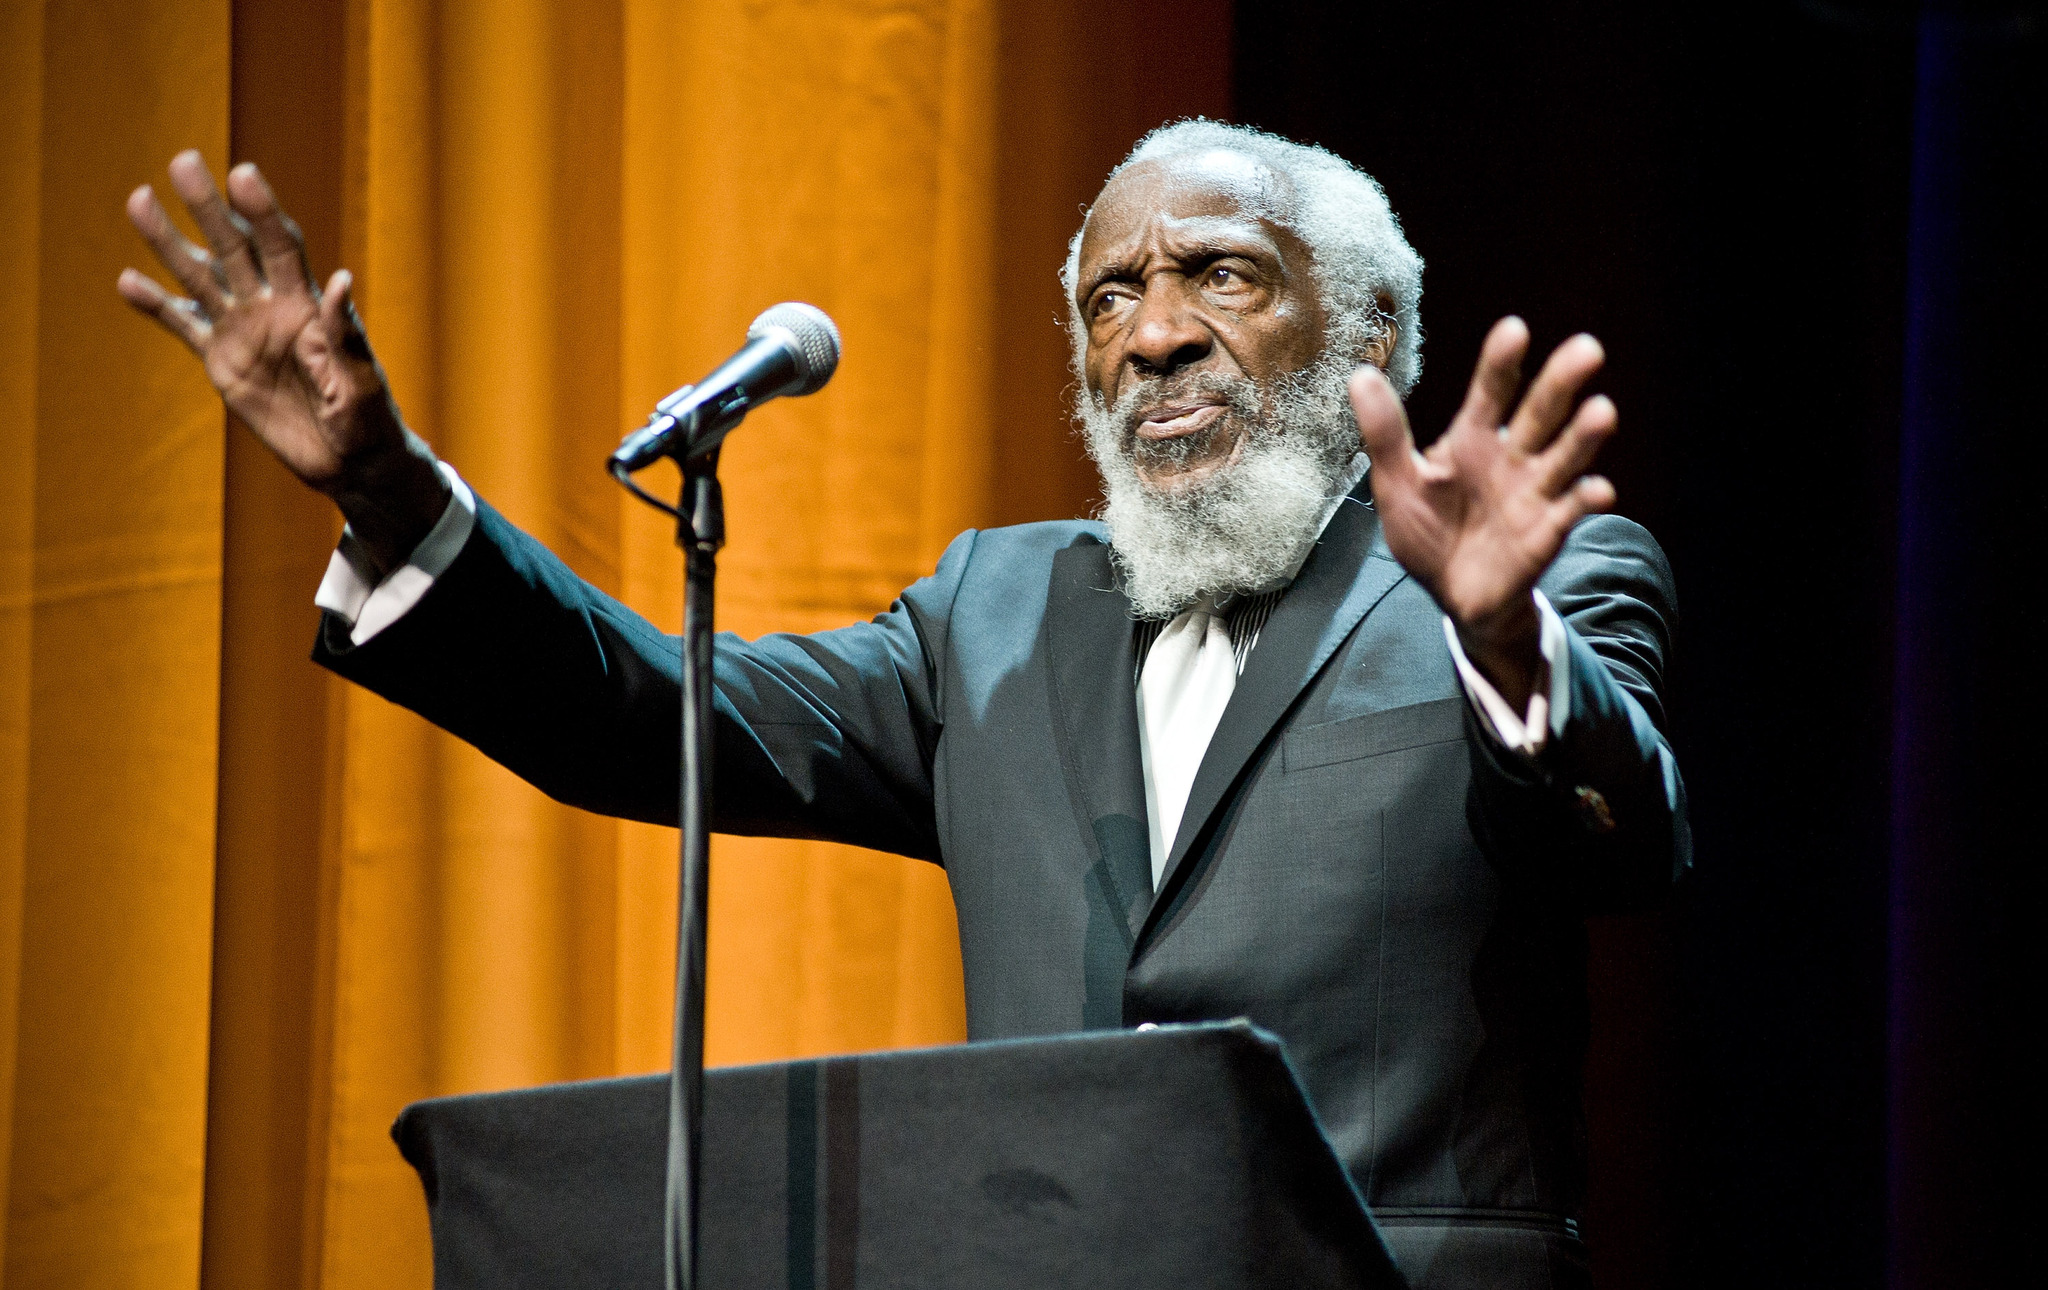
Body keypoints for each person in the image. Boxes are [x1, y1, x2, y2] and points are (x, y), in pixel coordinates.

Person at [118, 119, 1687, 1290]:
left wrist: (1504, 642)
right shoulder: (993, 612)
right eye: (1109, 298)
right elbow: (651, 710)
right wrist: (395, 497)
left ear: (1367, 337)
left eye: (1220, 274)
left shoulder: (1524, 585)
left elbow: (1619, 842)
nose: (1152, 333)